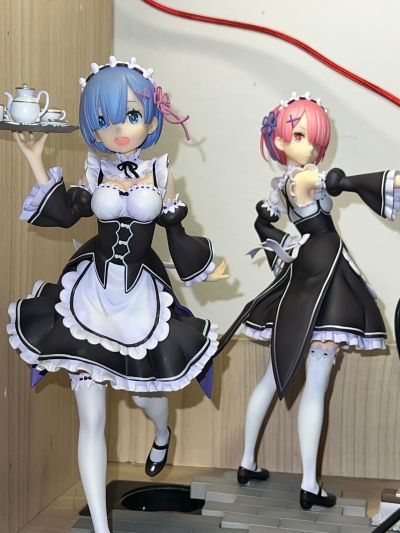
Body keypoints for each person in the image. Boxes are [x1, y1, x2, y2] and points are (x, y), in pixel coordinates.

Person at [7, 56, 227, 533]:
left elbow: (176, 232)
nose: (118, 129)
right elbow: (66, 212)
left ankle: (162, 431)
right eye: (104, 119)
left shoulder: (161, 174)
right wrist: (35, 159)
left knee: (147, 397)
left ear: (150, 118)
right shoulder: (95, 171)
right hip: (90, 297)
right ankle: (102, 528)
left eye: (130, 115)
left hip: (140, 299)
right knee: (91, 418)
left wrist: (206, 268)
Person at [217, 92, 400, 510]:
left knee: (273, 375)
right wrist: (366, 181)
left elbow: (275, 212)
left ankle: (247, 462)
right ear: (279, 140)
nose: (312, 145)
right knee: (315, 384)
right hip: (323, 269)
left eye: (315, 137)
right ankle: (309, 484)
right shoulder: (302, 178)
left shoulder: (282, 184)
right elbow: (327, 184)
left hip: (305, 270)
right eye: (300, 135)